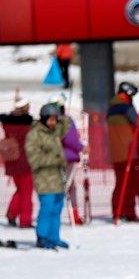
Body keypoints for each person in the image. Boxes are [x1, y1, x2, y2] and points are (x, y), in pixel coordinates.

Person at [24, 102, 70, 249]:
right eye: (50, 119)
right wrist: (55, 159)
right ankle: (42, 236)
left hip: (57, 178)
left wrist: (61, 113)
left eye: (55, 120)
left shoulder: (54, 132)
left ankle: (54, 237)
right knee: (47, 208)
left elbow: (66, 125)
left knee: (57, 208)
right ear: (43, 119)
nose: (53, 123)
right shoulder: (35, 135)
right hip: (44, 179)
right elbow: (34, 159)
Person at [107, 81, 139, 222]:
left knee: (123, 183)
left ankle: (123, 211)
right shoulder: (125, 107)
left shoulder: (112, 107)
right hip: (130, 151)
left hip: (117, 153)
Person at [0, 98, 34, 228]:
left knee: (20, 189)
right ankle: (25, 220)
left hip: (12, 162)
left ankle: (12, 213)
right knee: (26, 192)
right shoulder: (28, 126)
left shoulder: (7, 123)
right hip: (26, 162)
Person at [52, 95, 84, 224]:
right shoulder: (66, 120)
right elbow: (71, 140)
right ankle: (72, 216)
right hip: (67, 158)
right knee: (67, 188)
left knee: (66, 187)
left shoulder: (49, 122)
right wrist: (82, 147)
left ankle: (72, 215)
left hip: (54, 158)